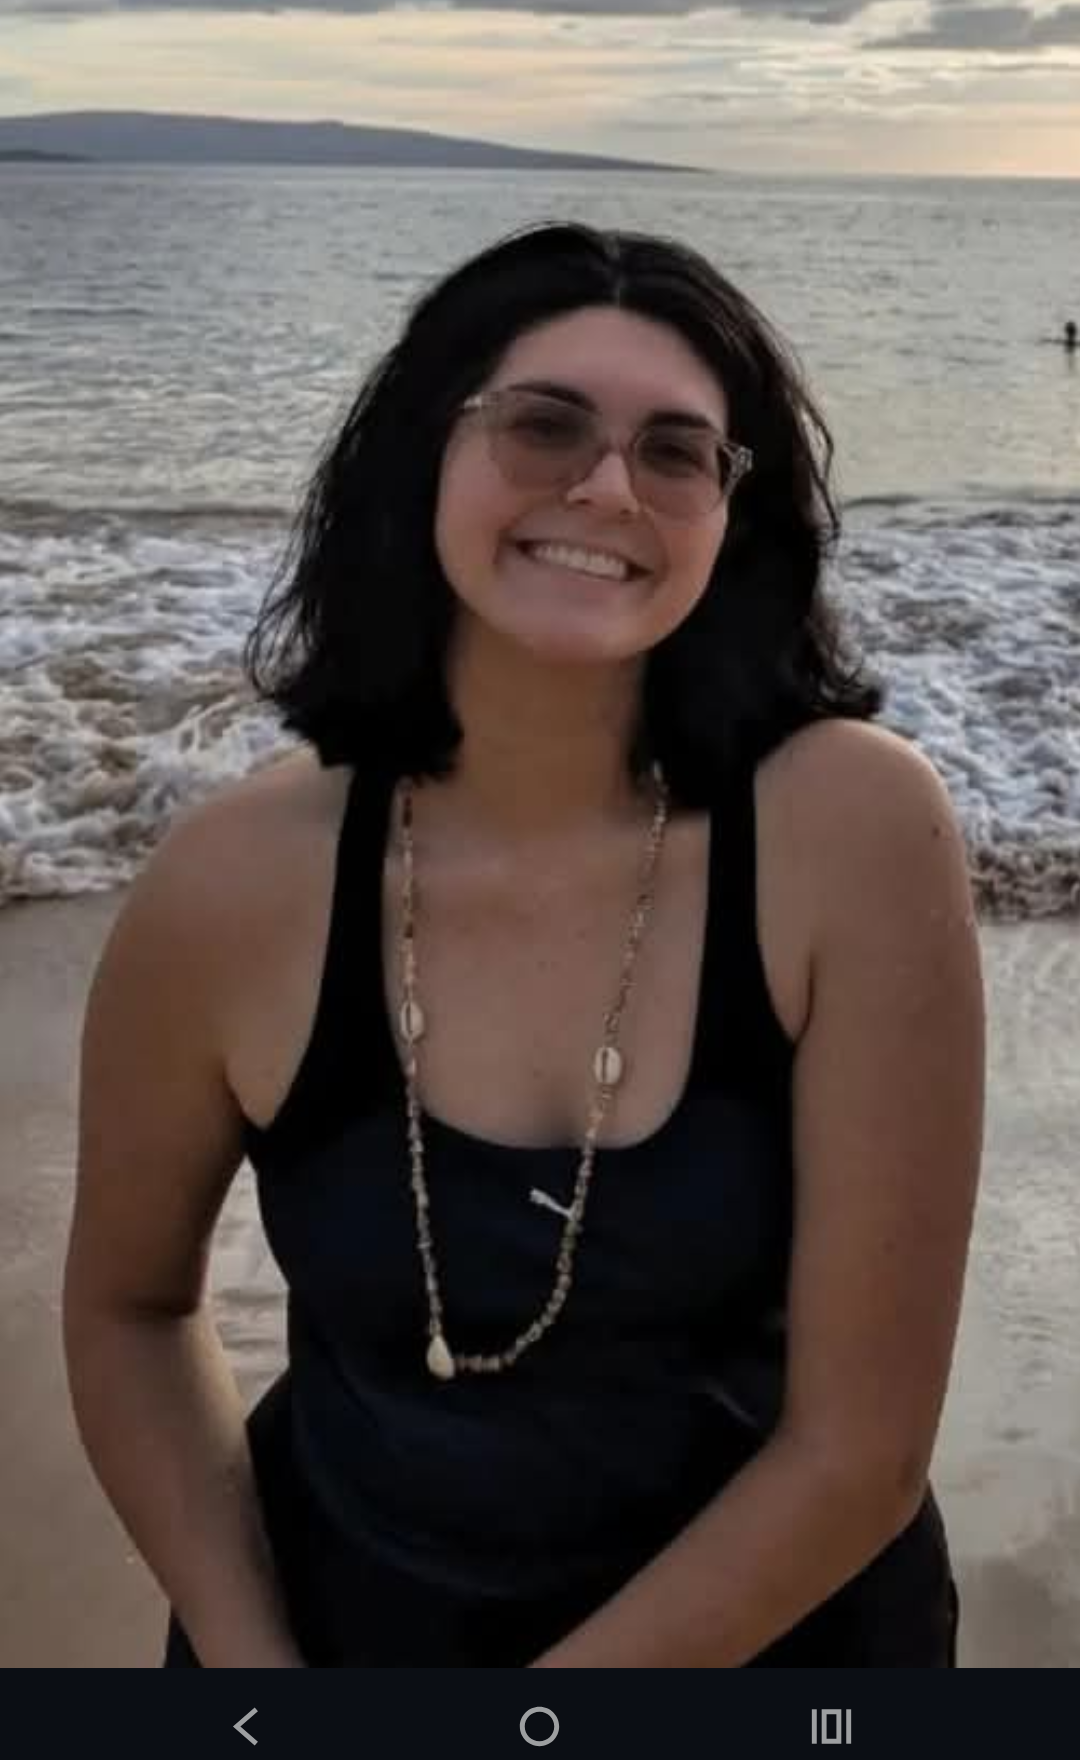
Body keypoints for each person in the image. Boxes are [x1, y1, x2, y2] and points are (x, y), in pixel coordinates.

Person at [63, 221, 984, 1669]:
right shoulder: (235, 883)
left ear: (730, 518)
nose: (608, 486)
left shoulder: (850, 832)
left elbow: (858, 1449)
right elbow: (129, 1309)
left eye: (677, 452)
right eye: (544, 424)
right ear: (421, 457)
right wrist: (252, 1672)